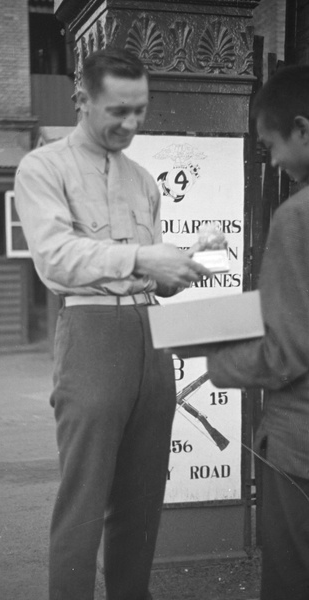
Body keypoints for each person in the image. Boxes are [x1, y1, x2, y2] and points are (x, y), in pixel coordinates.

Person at [14, 48, 213, 600]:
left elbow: (153, 274)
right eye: (118, 111)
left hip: (152, 339)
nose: (131, 124)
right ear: (83, 100)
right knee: (83, 502)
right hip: (90, 335)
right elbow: (55, 256)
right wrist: (144, 260)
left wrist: (188, 262)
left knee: (144, 498)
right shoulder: (42, 168)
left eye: (140, 111)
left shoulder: (145, 182)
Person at [204, 65, 309, 600]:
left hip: (301, 448)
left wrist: (217, 361)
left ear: (303, 128)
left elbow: (288, 351)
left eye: (271, 145)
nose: (272, 161)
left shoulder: (297, 218)